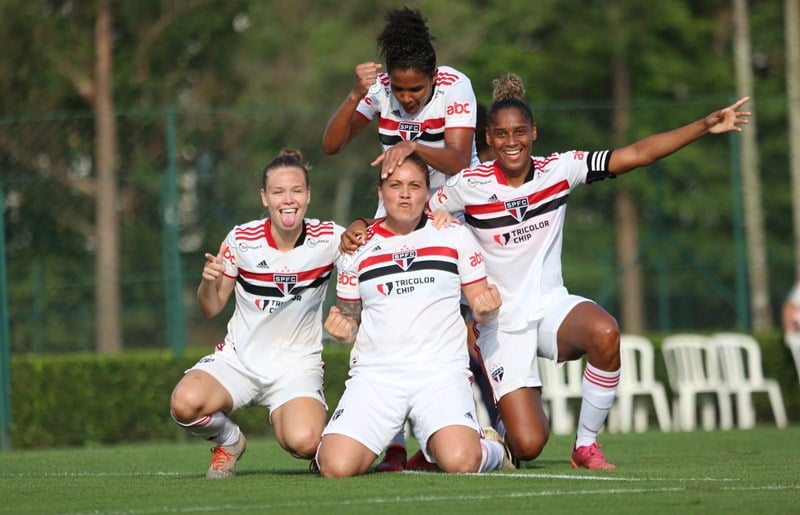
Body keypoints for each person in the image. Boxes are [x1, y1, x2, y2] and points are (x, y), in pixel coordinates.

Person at [423, 74, 751, 469]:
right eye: (502, 134)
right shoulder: (466, 185)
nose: (512, 141)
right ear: (489, 140)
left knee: (605, 331)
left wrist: (704, 126)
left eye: (520, 132)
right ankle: (487, 439)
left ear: (534, 133)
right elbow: (420, 217)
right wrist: (432, 225)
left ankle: (585, 445)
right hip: (499, 323)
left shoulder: (559, 170)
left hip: (550, 308)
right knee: (528, 445)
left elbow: (636, 154)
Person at [322, 6, 480, 472]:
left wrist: (411, 145)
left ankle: (478, 426)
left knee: (472, 316)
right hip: (397, 209)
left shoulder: (456, 86)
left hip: (450, 212)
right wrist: (356, 94)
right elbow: (332, 144)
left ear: (434, 76)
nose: (408, 98)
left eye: (418, 88)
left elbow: (455, 159)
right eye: (401, 88)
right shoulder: (381, 90)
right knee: (383, 313)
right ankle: (389, 437)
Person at [314, 154, 514, 478]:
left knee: (461, 462)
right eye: (395, 185)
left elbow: (479, 299)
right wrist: (343, 329)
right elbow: (350, 318)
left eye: (414, 186)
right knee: (335, 467)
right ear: (381, 192)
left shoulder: (454, 235)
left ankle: (494, 448)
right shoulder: (355, 248)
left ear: (426, 194)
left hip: (440, 374)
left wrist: (486, 306)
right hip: (376, 377)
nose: (405, 194)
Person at [169, 149, 344, 478]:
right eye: (278, 192)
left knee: (305, 442)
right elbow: (211, 307)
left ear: (308, 194)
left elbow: (376, 239)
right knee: (184, 404)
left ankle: (318, 432)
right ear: (264, 197)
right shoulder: (241, 240)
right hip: (238, 362)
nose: (288, 200)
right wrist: (207, 283)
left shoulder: (330, 237)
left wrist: (438, 213)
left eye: (296, 190)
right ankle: (230, 440)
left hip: (296, 368)